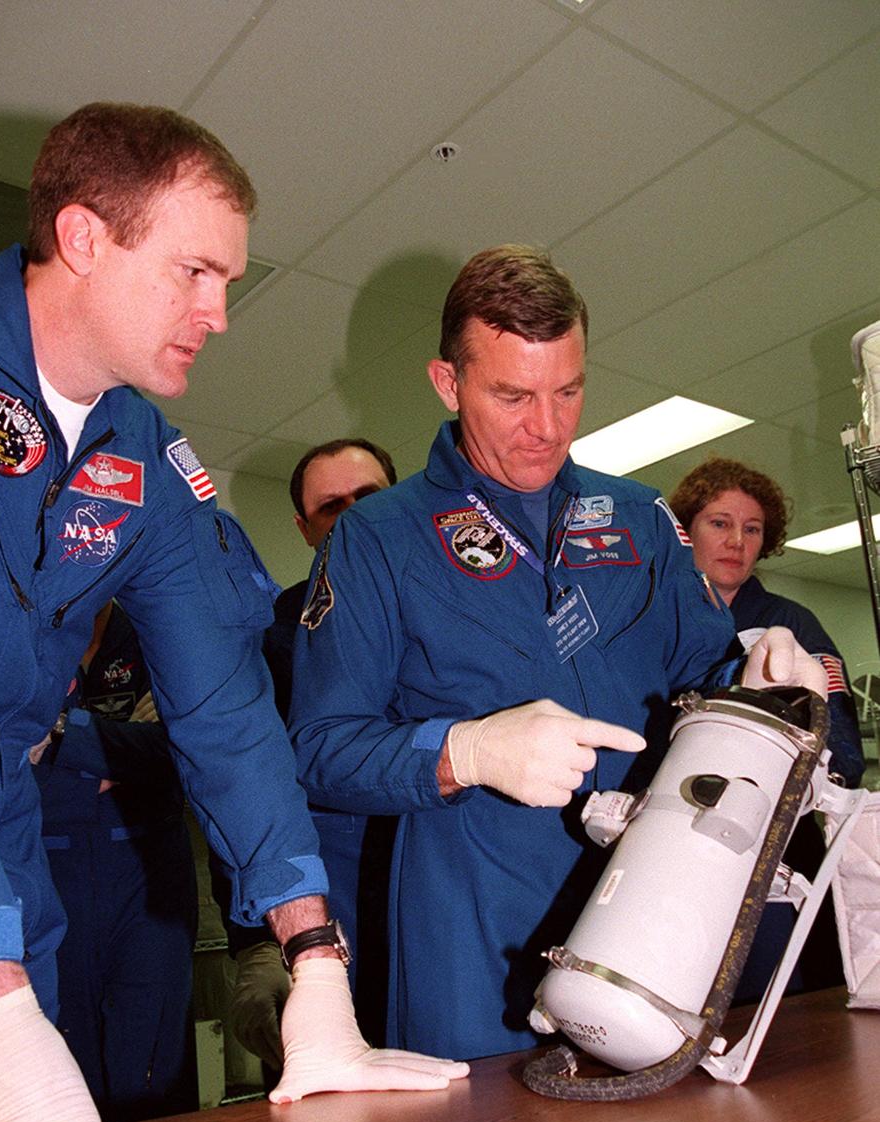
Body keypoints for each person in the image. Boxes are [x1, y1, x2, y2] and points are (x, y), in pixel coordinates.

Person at [0, 101, 466, 1122]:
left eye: (227, 281)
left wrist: (314, 957)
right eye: (196, 272)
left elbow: (226, 706)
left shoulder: (144, 457)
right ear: (84, 237)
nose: (219, 314)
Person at [288, 244, 828, 1063]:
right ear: (448, 382)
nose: (547, 427)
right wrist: (464, 752)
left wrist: (760, 670)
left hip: (651, 912)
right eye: (512, 395)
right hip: (471, 928)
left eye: (567, 391)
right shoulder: (378, 538)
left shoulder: (638, 519)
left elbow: (706, 675)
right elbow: (321, 750)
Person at [222, 439, 398, 1073]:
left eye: (368, 497)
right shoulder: (266, 637)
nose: (352, 516)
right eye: (331, 506)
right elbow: (240, 781)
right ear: (304, 529)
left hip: (446, 890)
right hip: (324, 898)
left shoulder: (462, 609)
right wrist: (255, 941)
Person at [669, 456, 864, 998]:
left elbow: (841, 749)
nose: (736, 541)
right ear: (686, 532)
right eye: (719, 523)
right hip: (674, 838)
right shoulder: (658, 621)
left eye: (752, 529)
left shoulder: (792, 625)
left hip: (776, 843)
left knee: (781, 1000)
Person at [35, 601, 198, 1122]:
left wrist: (62, 734)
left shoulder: (159, 632)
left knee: (154, 1081)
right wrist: (117, 758)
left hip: (149, 880)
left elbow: (185, 752)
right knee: (59, 1079)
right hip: (46, 878)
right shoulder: (16, 639)